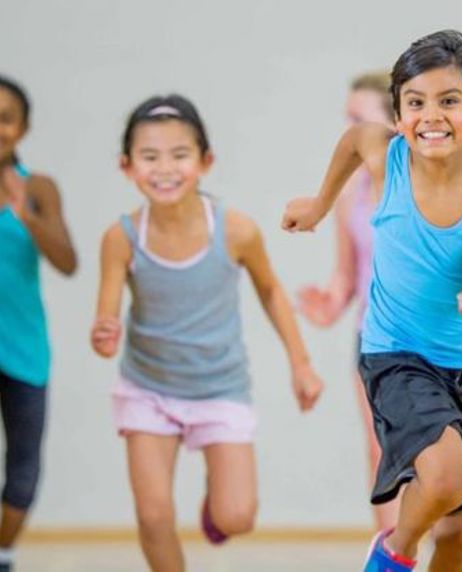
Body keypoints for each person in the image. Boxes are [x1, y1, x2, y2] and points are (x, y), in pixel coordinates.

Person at [283, 30, 462, 572]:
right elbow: (355, 142)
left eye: (449, 101)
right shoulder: (386, 154)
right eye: (415, 103)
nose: (431, 116)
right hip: (396, 355)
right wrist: (320, 204)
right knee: (446, 476)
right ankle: (394, 550)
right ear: (398, 112)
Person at [91, 94, 323, 572]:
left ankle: (216, 509)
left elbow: (271, 291)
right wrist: (104, 336)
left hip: (220, 387)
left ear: (205, 161)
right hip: (148, 389)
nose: (165, 169)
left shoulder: (236, 231)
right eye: (149, 157)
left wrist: (300, 363)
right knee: (154, 517)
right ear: (127, 167)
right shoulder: (121, 238)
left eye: (179, 155)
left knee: (236, 516)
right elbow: (107, 319)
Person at [296, 70, 400, 531]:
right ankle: (394, 553)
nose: (350, 131)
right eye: (347, 119)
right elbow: (348, 274)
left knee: (443, 459)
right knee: (381, 448)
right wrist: (330, 301)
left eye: (358, 118)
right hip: (373, 338)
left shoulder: (427, 188)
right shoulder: (350, 196)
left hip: (433, 338)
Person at [0, 75, 78, 572]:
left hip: (24, 347)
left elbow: (68, 261)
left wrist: (27, 213)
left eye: (6, 117)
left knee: (24, 465)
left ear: (23, 128)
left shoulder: (39, 187)